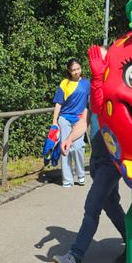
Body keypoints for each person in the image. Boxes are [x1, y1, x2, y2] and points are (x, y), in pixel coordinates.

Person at [52, 108, 127, 263]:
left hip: (111, 162)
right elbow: (84, 120)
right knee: (111, 205)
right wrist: (70, 138)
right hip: (96, 159)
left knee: (92, 207)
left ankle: (75, 256)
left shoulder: (117, 88)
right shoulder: (93, 92)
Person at [51, 59, 91, 188]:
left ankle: (80, 174)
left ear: (81, 68)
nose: (76, 72)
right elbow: (58, 103)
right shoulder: (64, 83)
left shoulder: (87, 84)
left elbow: (91, 102)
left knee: (78, 147)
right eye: (73, 70)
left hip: (79, 119)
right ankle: (67, 180)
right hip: (65, 118)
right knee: (65, 148)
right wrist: (55, 122)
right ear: (69, 71)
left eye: (78, 69)